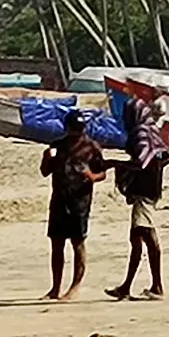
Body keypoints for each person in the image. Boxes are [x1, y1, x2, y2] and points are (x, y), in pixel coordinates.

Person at [40, 109, 107, 300]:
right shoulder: (58, 146)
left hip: (80, 201)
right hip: (60, 198)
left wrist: (92, 177)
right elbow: (45, 171)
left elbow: (102, 173)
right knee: (57, 243)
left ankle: (75, 287)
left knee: (78, 242)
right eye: (74, 128)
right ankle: (55, 288)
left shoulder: (91, 147)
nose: (78, 132)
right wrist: (47, 158)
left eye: (80, 128)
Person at [107, 99, 169, 300]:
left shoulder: (140, 133)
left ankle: (148, 286)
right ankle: (136, 285)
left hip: (143, 192)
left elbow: (141, 161)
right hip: (152, 189)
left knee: (143, 237)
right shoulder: (153, 131)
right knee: (142, 237)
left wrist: (115, 164)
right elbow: (165, 157)